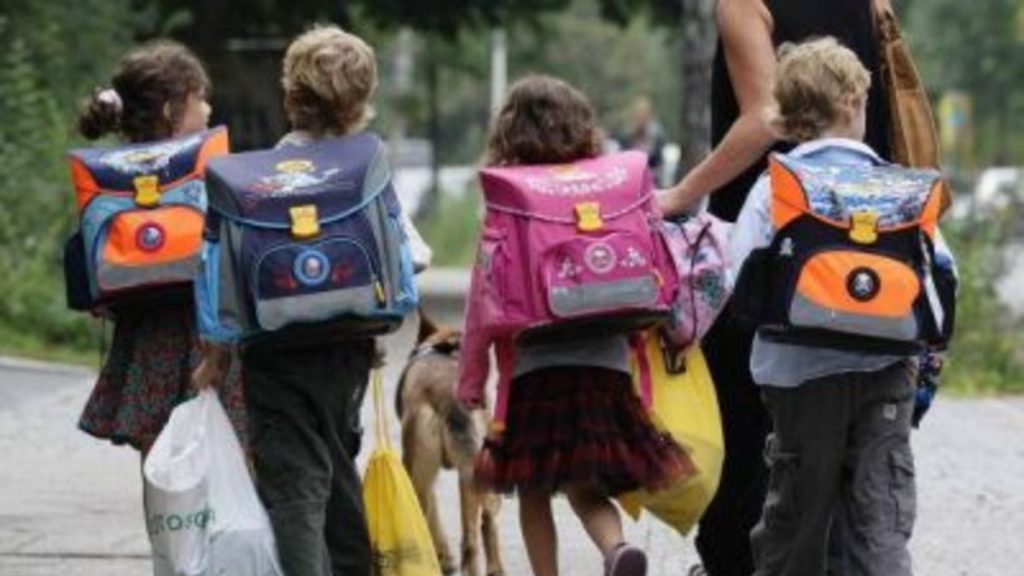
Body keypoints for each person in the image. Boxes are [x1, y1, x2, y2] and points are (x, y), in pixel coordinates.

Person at [657, 2, 896, 574]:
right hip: (866, 236)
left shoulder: (744, 3)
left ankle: (737, 562)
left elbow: (766, 118)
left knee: (746, 417)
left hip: (776, 232)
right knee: (857, 427)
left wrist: (680, 195)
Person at [191, 25, 431, 576]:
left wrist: (215, 357)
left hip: (273, 351)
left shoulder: (249, 179)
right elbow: (413, 254)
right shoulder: (364, 169)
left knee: (295, 482)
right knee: (333, 460)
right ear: (362, 102)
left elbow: (219, 275)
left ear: (289, 96)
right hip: (346, 348)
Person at [731, 37, 955, 576]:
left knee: (796, 510)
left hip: (796, 376)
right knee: (880, 512)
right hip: (885, 372)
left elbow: (736, 277)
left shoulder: (777, 187)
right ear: (855, 103)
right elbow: (943, 275)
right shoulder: (901, 188)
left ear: (786, 114)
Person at [457, 74, 694, 576]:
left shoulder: (509, 199)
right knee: (587, 486)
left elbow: (484, 302)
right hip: (606, 361)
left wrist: (471, 379)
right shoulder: (612, 188)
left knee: (534, 491)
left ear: (509, 132)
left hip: (535, 369)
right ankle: (616, 551)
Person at [77, 41, 247, 455]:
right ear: (173, 110)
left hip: (143, 334)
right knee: (229, 445)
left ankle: (166, 521)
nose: (208, 108)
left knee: (158, 452)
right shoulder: (206, 166)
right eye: (200, 98)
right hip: (206, 330)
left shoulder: (111, 175)